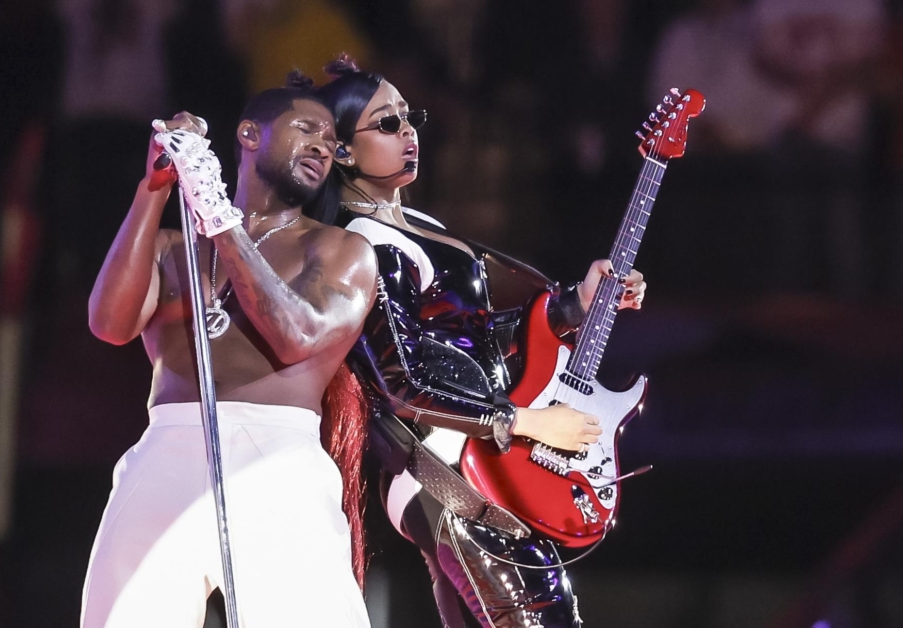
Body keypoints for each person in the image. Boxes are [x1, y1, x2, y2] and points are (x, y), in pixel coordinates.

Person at [309, 57, 647, 628]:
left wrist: (574, 305)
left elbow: (470, 337)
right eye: (387, 125)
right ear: (342, 150)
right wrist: (525, 422)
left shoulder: (413, 225)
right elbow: (405, 382)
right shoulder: (367, 242)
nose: (409, 132)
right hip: (439, 462)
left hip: (459, 456)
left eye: (409, 117)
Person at [81, 78, 377, 628]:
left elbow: (297, 335)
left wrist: (217, 212)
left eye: (331, 142)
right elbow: (109, 324)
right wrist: (157, 185)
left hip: (276, 456)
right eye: (306, 128)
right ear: (249, 135)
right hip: (167, 446)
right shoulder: (174, 249)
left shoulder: (339, 249)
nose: (321, 146)